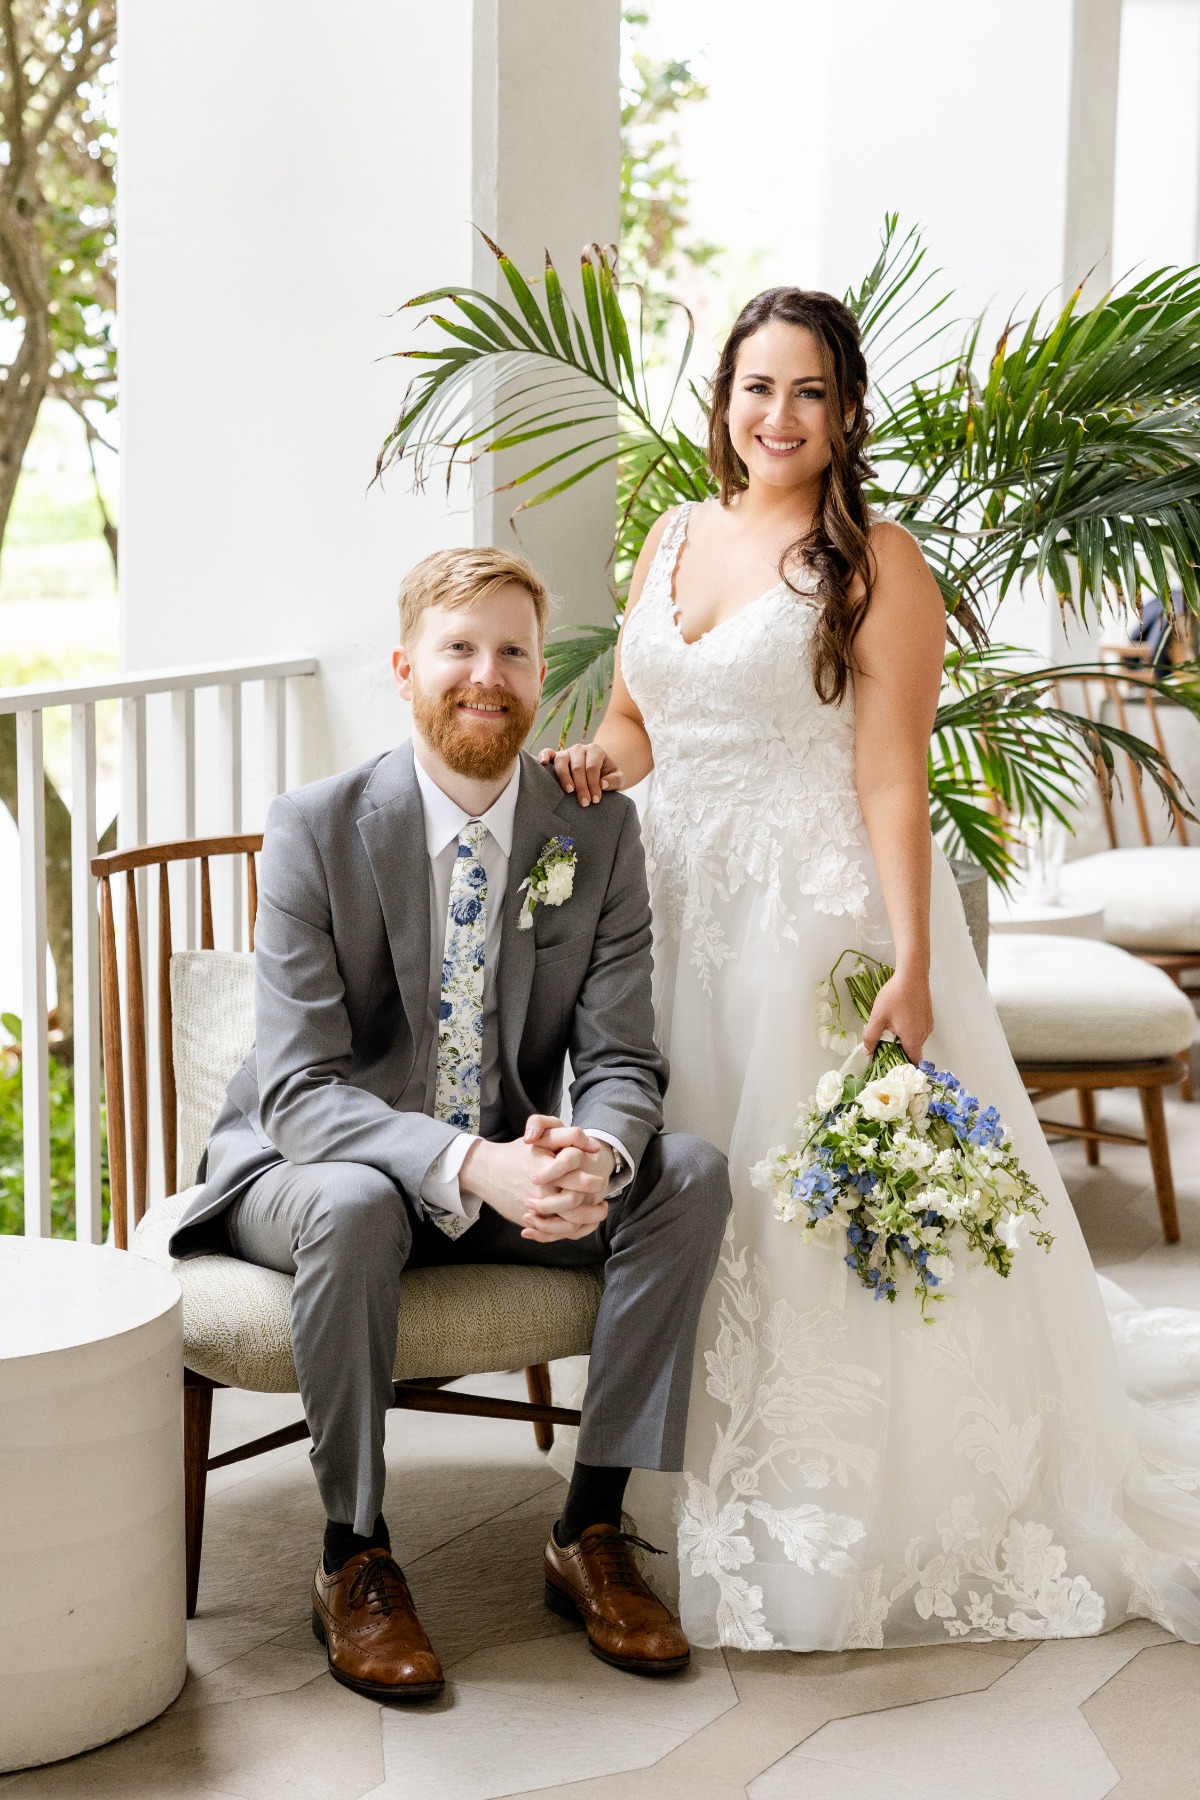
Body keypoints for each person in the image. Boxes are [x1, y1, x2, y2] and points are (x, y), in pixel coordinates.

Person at [540, 286, 1200, 1652]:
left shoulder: (878, 562)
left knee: (801, 1202)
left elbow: (891, 776)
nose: (777, 417)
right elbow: (636, 718)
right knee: (679, 1179)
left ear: (844, 415)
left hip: (808, 917)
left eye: (808, 394)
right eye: (754, 389)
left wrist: (911, 960)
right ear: (721, 401)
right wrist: (602, 765)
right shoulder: (672, 533)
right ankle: (635, 1479)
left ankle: (825, 1494)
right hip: (668, 904)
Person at [169, 547, 732, 1701]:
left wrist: (596, 1151)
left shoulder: (593, 834)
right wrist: (470, 1161)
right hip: (310, 1171)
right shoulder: (316, 828)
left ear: (541, 679)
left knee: (690, 1174)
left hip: (501, 1175)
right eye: (459, 649)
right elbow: (301, 1091)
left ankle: (591, 1526)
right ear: (404, 668)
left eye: (514, 651)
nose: (489, 674)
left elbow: (621, 1057)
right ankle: (355, 1555)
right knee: (353, 1195)